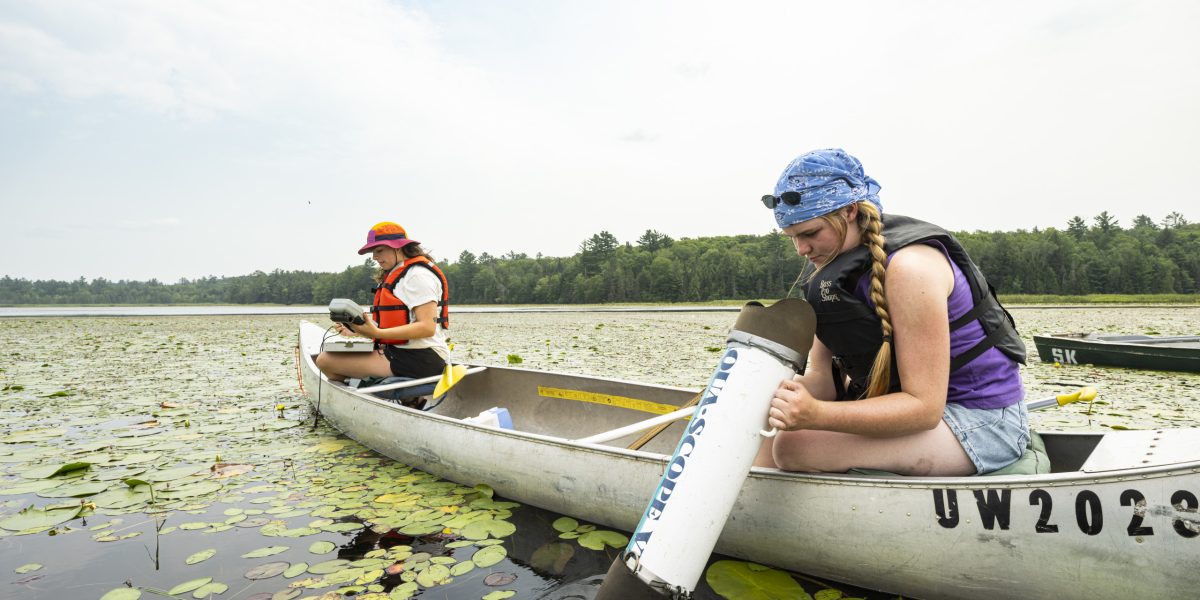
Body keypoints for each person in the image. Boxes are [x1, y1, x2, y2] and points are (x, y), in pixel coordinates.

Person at [756, 148, 1028, 476]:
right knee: (761, 431)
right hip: (923, 416)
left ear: (850, 211)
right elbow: (822, 379)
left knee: (793, 445)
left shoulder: (911, 270)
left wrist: (816, 415)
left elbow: (924, 408)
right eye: (792, 238)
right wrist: (758, 397)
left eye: (810, 233)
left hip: (983, 421)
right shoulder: (827, 275)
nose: (801, 249)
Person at [315, 222, 450, 384]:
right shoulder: (400, 273)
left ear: (398, 248)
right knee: (327, 359)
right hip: (405, 354)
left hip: (422, 358)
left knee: (325, 360)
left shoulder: (417, 276)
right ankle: (396, 394)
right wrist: (357, 331)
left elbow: (427, 327)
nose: (374, 257)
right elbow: (398, 323)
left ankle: (373, 392)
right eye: (373, 251)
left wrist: (376, 334)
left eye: (379, 250)